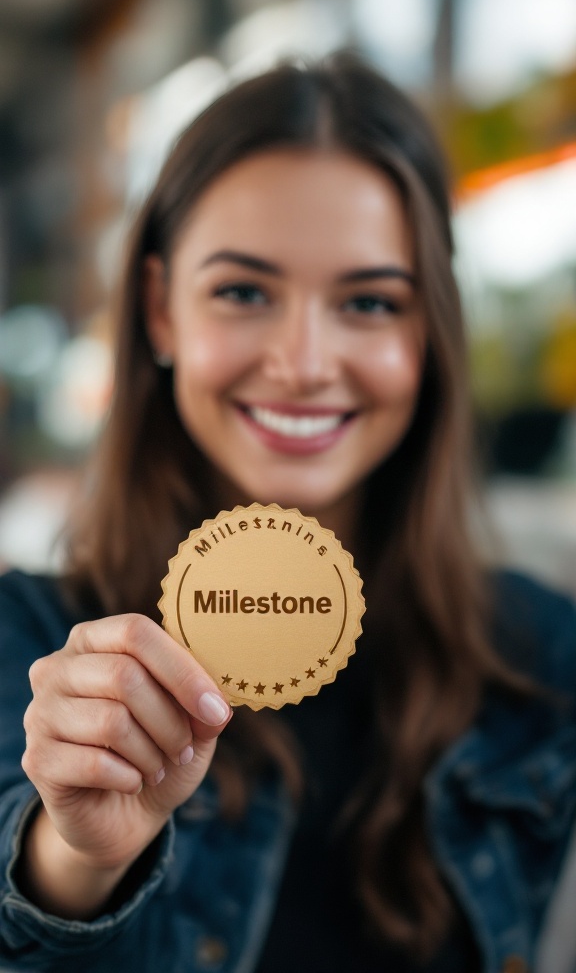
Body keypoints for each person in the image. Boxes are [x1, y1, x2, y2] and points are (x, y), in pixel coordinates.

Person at [0, 54, 575, 973]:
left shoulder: (547, 657)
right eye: (243, 291)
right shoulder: (29, 641)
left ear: (429, 332)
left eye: (369, 302)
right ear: (159, 311)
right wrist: (75, 856)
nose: (304, 360)